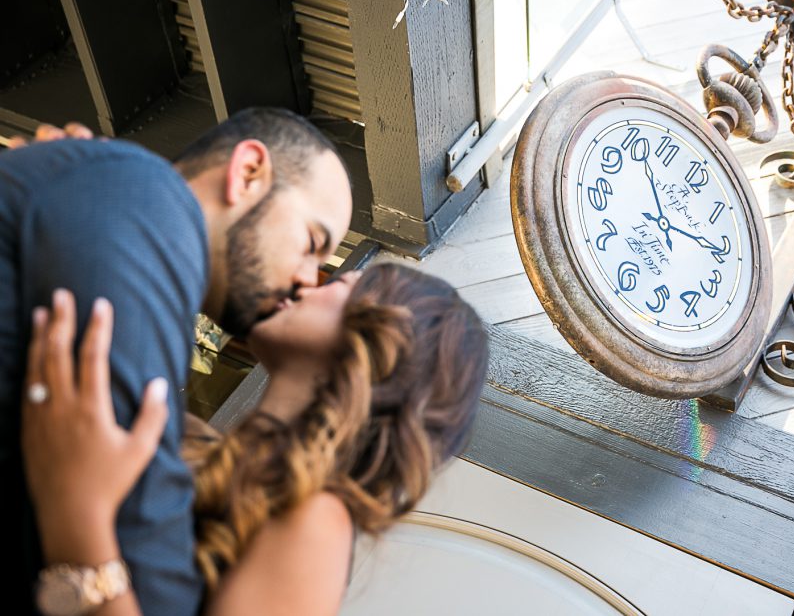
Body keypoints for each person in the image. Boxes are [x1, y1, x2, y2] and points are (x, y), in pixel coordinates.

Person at [0, 110, 353, 615]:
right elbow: (144, 556)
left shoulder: (124, 197)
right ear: (248, 172)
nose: (307, 280)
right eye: (312, 245)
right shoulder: (148, 198)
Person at [22, 263, 488, 615]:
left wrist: (76, 515)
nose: (307, 283)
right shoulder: (192, 442)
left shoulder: (318, 520)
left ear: (379, 344)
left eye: (338, 285)